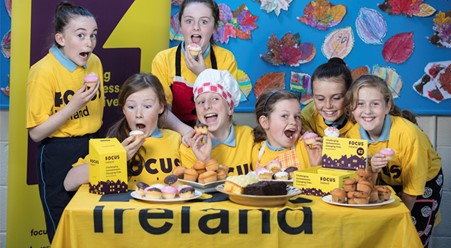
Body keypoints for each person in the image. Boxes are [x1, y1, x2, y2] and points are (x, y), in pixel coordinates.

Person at [25, 2, 103, 242]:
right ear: (60, 38)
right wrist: (73, 107)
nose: (89, 42)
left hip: (92, 147)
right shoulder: (43, 72)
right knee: (62, 230)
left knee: (92, 224)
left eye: (93, 35)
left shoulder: (95, 63)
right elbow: (36, 134)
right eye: (80, 35)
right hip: (57, 153)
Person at [345, 75, 443, 247]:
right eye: (360, 104)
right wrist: (372, 170)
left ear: (387, 106)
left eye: (375, 103)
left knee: (411, 235)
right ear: (352, 108)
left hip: (423, 182)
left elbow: (412, 189)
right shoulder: (352, 136)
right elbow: (364, 184)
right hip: (388, 178)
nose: (367, 111)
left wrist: (397, 222)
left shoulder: (409, 135)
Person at [64, 73, 182, 191]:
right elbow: (69, 183)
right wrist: (117, 157)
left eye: (147, 106)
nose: (138, 114)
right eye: (131, 107)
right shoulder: (113, 142)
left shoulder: (176, 139)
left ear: (161, 107)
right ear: (123, 110)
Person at [152, 0, 238, 144]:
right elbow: (161, 110)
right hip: (177, 136)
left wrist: (204, 74)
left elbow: (228, 107)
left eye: (204, 22)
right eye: (189, 21)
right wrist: (187, 132)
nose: (196, 28)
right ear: (180, 25)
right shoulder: (163, 60)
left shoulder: (226, 59)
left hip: (217, 137)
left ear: (215, 27)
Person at [180, 69, 254, 176]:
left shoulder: (249, 137)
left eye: (215, 99)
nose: (206, 106)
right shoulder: (189, 147)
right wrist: (204, 161)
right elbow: (193, 190)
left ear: (230, 108)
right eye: (201, 102)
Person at [253, 90, 322, 170]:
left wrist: (316, 165)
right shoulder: (256, 151)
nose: (293, 122)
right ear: (265, 122)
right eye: (284, 116)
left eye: (297, 117)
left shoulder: (307, 147)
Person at [301, 57, 354, 137]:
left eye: (336, 98)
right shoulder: (305, 119)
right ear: (313, 96)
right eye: (320, 99)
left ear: (349, 95)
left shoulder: (361, 119)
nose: (328, 105)